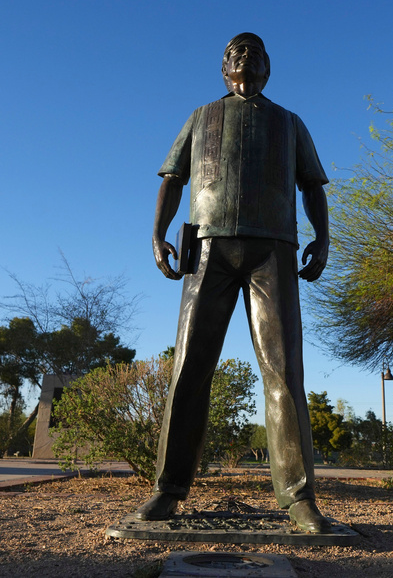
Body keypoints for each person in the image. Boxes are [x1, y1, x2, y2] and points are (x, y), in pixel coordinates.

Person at [134, 33, 332, 533]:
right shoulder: (201, 117)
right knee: (189, 368)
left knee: (284, 372)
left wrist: (324, 238)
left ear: (269, 67)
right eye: (236, 53)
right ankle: (167, 490)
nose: (245, 58)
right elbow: (173, 178)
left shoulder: (289, 123)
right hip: (208, 248)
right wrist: (157, 235)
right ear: (224, 68)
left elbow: (312, 184)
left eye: (255, 53)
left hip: (274, 249)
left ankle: (299, 498)